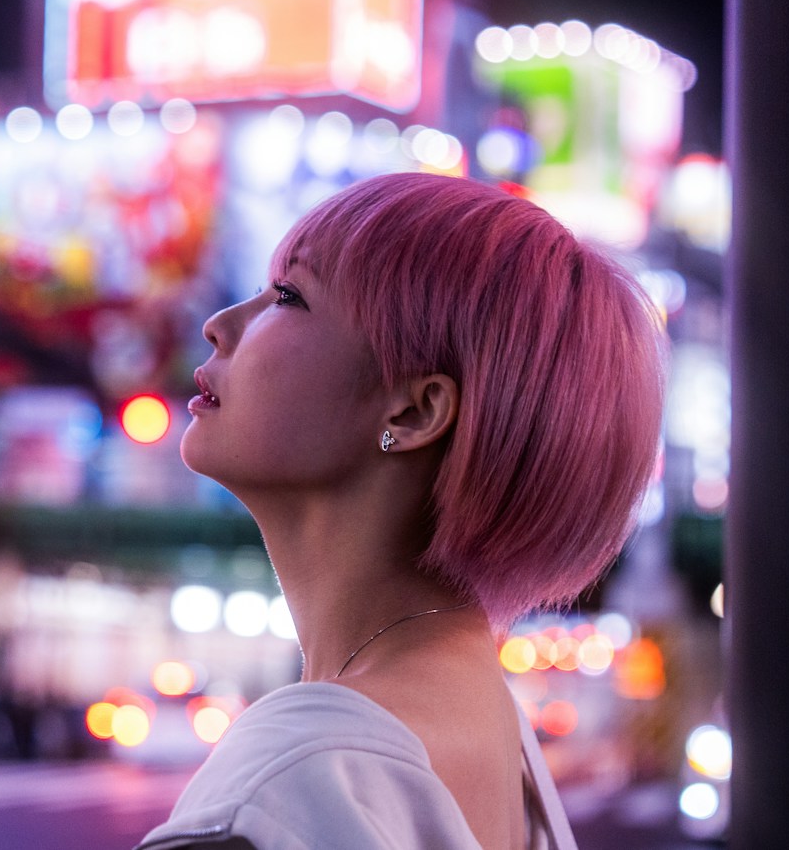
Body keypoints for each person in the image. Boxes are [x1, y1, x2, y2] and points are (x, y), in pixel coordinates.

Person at [138, 173, 664, 850]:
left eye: (290, 295)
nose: (220, 324)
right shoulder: (498, 735)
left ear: (416, 411)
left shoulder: (292, 784)